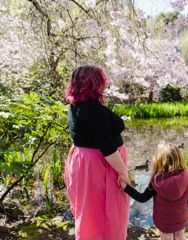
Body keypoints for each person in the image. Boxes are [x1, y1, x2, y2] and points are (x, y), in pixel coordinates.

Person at [63, 65, 131, 240]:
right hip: (100, 165)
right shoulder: (92, 110)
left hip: (88, 163)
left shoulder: (76, 105)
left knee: (90, 209)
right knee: (102, 213)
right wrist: (123, 172)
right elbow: (107, 147)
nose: (105, 82)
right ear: (94, 83)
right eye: (102, 79)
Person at [120, 143, 188, 240]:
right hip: (181, 217)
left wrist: (126, 187)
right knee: (180, 237)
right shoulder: (186, 176)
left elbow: (142, 198)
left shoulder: (157, 181)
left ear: (159, 161)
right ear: (178, 158)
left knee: (167, 238)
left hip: (164, 221)